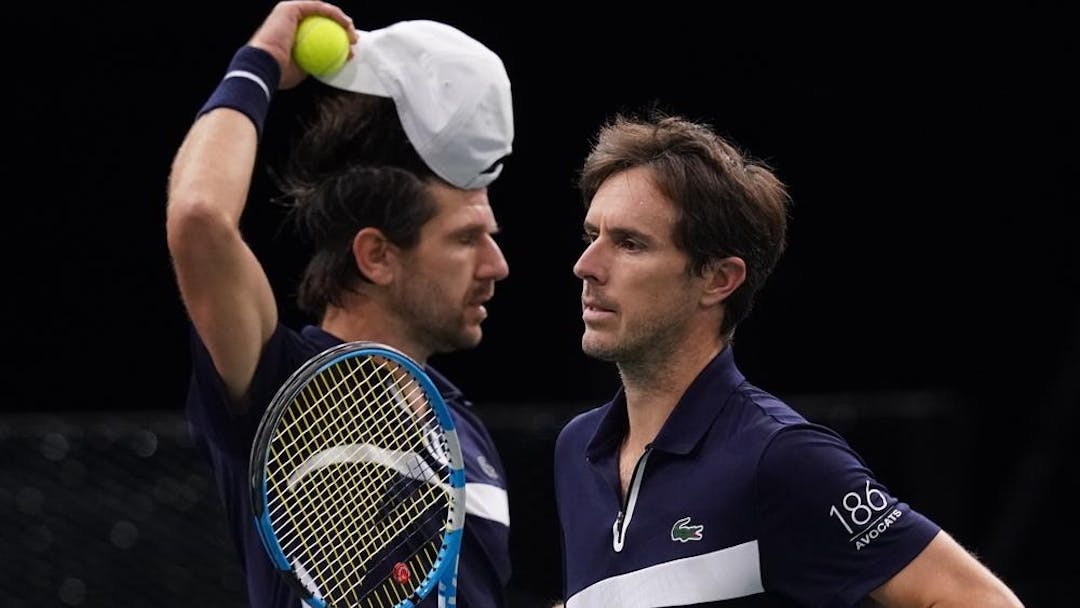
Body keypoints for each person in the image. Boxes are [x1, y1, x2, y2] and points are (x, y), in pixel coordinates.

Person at [553, 110, 1025, 607]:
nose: (586, 265)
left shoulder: (781, 458)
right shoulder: (576, 450)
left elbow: (981, 601)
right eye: (592, 236)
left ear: (718, 279)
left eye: (629, 244)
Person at [165, 2, 514, 607]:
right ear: (376, 255)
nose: (496, 266)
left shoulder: (467, 436)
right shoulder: (278, 385)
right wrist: (261, 63)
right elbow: (199, 217)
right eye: (465, 240)